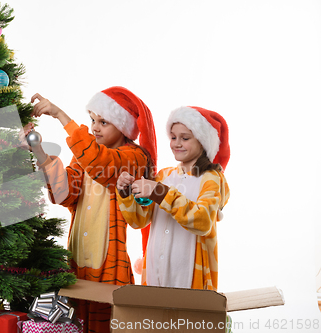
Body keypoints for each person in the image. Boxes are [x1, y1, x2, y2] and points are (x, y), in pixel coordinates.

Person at [25, 87, 157, 333]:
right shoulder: (85, 156)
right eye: (92, 120)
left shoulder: (134, 157)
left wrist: (60, 115)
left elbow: (102, 163)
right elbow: (65, 193)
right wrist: (38, 151)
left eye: (103, 122)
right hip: (76, 260)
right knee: (74, 324)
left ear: (123, 126)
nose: (95, 128)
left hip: (109, 265)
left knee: (105, 325)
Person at [116, 106, 230, 290]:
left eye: (185, 138)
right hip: (155, 275)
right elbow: (140, 220)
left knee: (186, 319)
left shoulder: (211, 178)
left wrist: (160, 192)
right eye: (173, 137)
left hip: (189, 280)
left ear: (202, 141)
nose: (176, 143)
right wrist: (125, 194)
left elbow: (203, 221)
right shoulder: (164, 175)